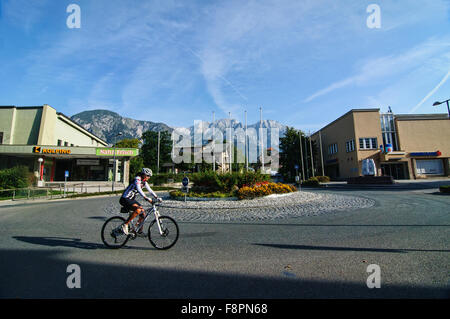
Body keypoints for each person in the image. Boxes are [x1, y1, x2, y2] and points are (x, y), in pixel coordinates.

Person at [119, 167, 161, 235]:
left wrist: (156, 197)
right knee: (138, 210)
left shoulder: (144, 182)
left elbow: (150, 190)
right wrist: (146, 197)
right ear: (144, 174)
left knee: (143, 213)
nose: (149, 177)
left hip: (131, 199)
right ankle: (125, 224)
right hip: (125, 199)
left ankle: (138, 230)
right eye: (148, 175)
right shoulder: (137, 179)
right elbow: (139, 189)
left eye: (150, 176)